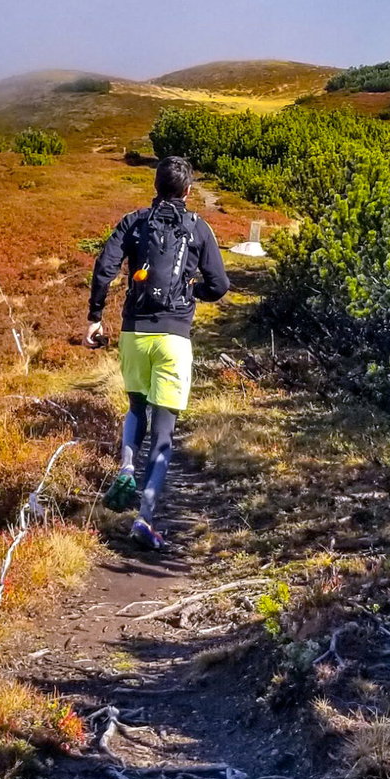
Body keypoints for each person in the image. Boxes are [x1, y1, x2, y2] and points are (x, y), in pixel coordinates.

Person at [86, 155, 230, 549]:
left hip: (135, 332)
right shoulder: (199, 228)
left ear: (155, 185)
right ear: (187, 191)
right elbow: (219, 285)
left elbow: (105, 266)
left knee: (135, 408)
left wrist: (95, 317)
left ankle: (127, 466)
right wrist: (191, 292)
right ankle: (144, 520)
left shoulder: (134, 221)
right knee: (164, 432)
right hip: (174, 338)